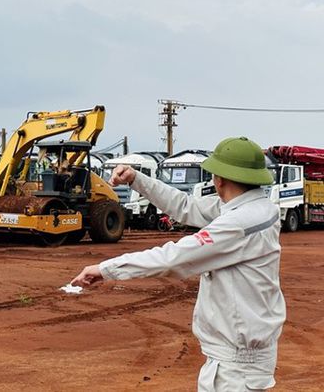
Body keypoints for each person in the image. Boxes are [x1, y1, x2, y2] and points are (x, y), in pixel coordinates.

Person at [71, 137, 286, 391]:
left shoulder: (239, 223)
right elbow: (185, 206)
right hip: (239, 357)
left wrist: (105, 269)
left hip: (237, 365)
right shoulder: (258, 209)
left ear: (220, 179)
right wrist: (136, 179)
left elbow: (174, 258)